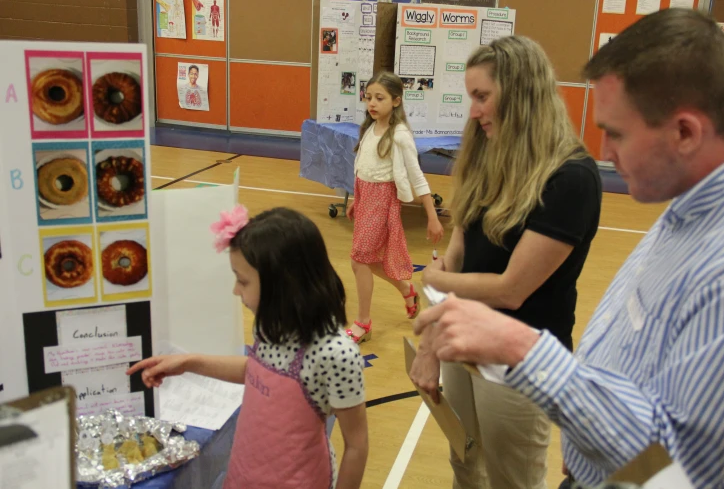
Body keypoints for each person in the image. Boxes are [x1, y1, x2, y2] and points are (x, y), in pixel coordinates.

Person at [414, 8, 724, 487]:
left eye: (617, 133)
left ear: (686, 133)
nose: (604, 154)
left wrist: (520, 348)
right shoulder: (704, 199)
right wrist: (594, 436)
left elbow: (673, 471)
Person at [410, 35, 602, 489]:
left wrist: (435, 281)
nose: (473, 111)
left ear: (521, 94)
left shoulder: (570, 177)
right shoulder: (486, 154)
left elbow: (512, 288)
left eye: (482, 97)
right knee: (465, 461)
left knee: (511, 480)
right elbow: (455, 257)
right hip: (463, 344)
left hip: (520, 364)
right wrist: (430, 346)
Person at [127, 206, 369, 489]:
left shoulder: (336, 354)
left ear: (282, 284)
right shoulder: (270, 324)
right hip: (245, 475)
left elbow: (357, 445)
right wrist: (188, 362)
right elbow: (259, 371)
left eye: (242, 281)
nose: (235, 290)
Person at [346, 71, 444, 343]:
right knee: (370, 260)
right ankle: (406, 289)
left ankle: (363, 323)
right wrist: (357, 198)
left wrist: (432, 217)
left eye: (380, 98)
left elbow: (417, 176)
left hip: (383, 200)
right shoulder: (369, 128)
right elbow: (365, 168)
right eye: (369, 98)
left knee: (359, 260)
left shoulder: (399, 135)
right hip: (367, 197)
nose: (372, 104)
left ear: (396, 101)